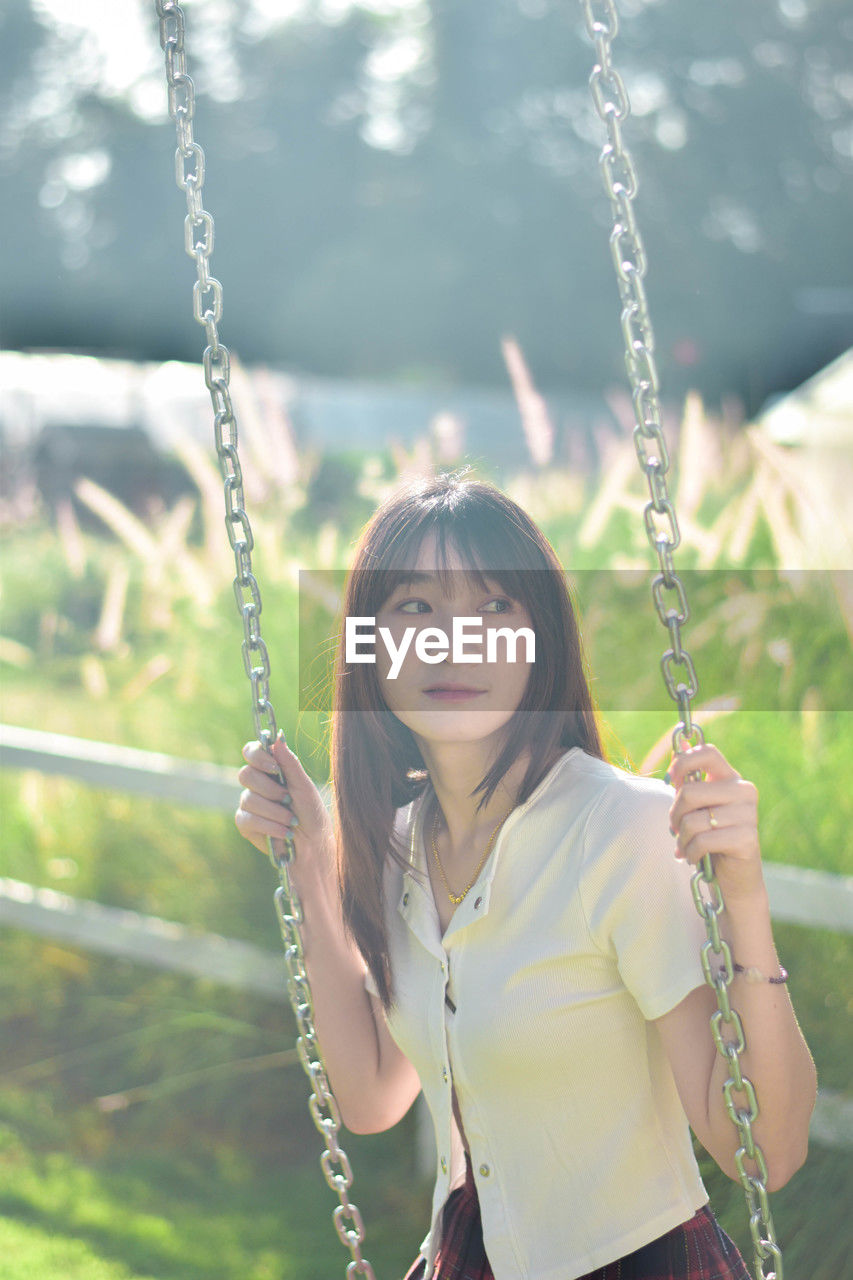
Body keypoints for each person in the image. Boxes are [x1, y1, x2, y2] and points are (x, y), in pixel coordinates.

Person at [235, 471, 816, 1280]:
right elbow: (371, 1096)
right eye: (415, 608)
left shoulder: (618, 832)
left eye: (494, 607)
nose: (453, 641)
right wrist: (311, 862)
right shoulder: (400, 847)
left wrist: (743, 896)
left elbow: (762, 1151)